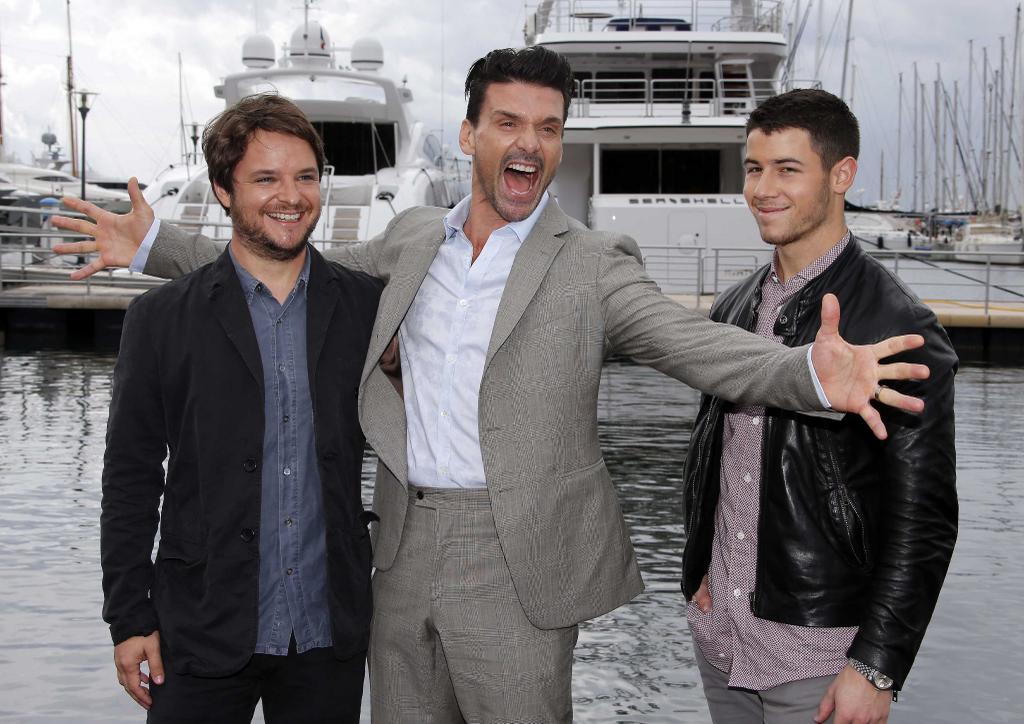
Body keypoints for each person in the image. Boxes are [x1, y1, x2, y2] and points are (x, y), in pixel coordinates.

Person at [57, 48, 930, 723]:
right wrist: (154, 247)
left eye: (548, 127)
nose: (529, 144)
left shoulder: (593, 263)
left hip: (517, 563)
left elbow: (694, 345)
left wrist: (806, 372)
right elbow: (287, 265)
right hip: (399, 553)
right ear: (469, 133)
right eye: (508, 122)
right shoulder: (409, 240)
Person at [98, 94, 382, 722]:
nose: (291, 196)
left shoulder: (366, 309)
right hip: (197, 627)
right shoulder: (160, 320)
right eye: (266, 179)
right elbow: (130, 478)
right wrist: (129, 616)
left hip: (328, 633)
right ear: (224, 191)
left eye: (305, 176)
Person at [681, 89, 958, 724]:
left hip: (820, 656)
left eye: (787, 169)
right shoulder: (732, 306)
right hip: (721, 636)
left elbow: (925, 520)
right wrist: (700, 569)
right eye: (754, 168)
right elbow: (713, 456)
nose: (762, 189)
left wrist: (877, 664)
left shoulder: (898, 326)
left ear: (841, 175)